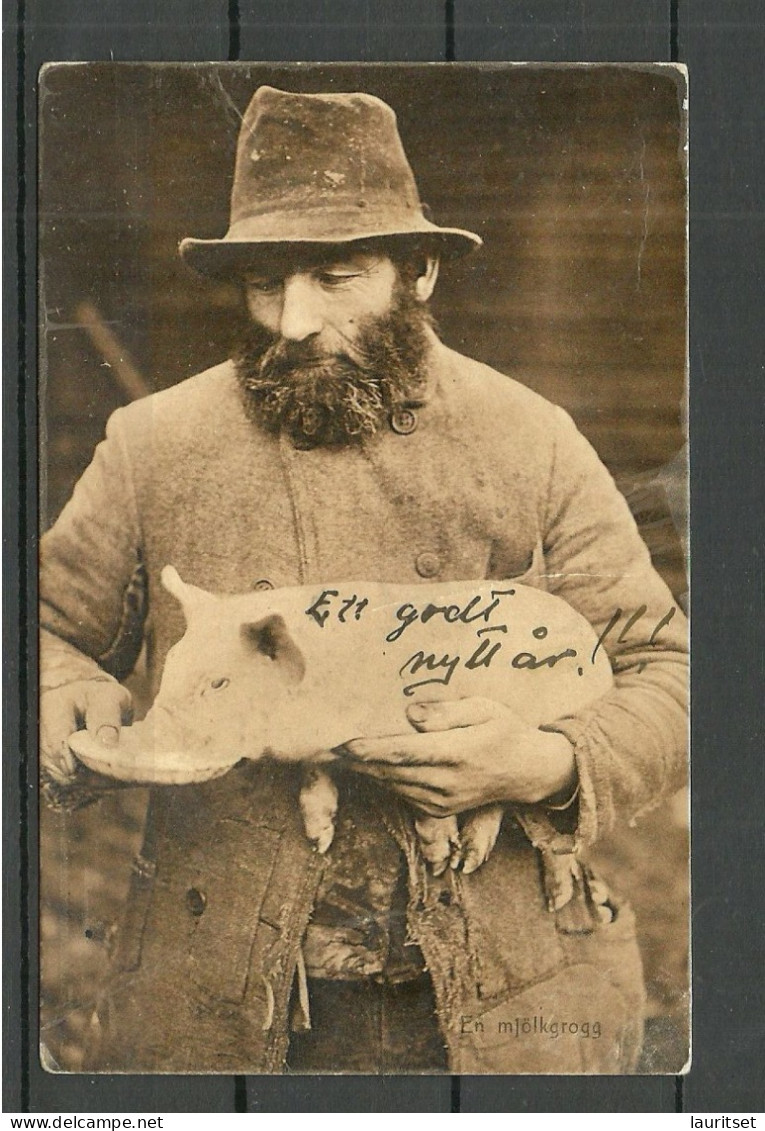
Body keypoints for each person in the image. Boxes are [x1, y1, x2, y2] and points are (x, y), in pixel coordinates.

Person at [40, 85, 688, 1074]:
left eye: (335, 276)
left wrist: (543, 763)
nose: (294, 321)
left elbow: (672, 675)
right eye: (265, 281)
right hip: (216, 999)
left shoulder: (529, 440)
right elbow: (42, 631)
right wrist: (62, 685)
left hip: (507, 1006)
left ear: (418, 270)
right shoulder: (157, 445)